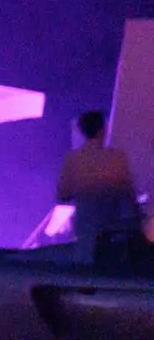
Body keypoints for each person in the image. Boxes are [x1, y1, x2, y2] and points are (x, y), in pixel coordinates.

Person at [56, 111, 138, 260]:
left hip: (84, 228)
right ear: (102, 130)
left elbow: (62, 195)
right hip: (111, 229)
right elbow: (129, 196)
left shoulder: (72, 159)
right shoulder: (117, 158)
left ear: (82, 131)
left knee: (85, 265)